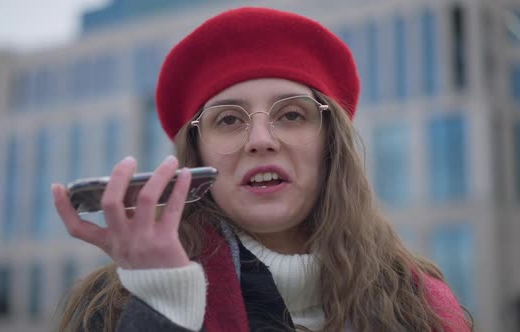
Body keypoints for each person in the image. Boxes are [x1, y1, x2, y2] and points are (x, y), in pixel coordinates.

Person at [51, 7, 473, 332]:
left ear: (331, 144)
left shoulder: (423, 304)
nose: (260, 139)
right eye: (229, 120)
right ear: (196, 156)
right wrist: (162, 307)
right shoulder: (116, 302)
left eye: (291, 114)